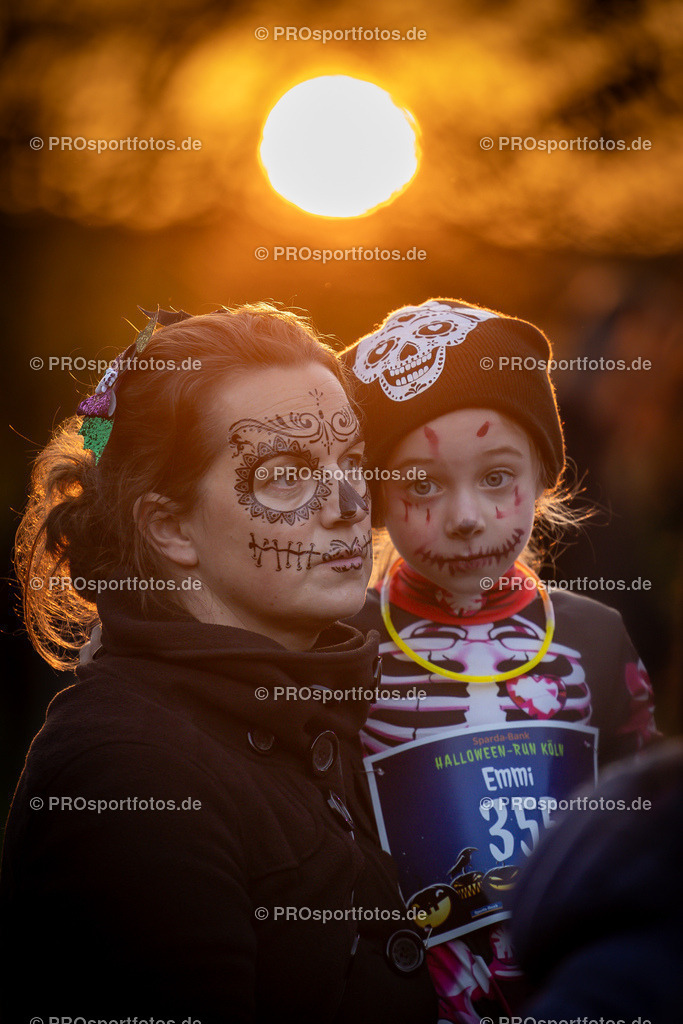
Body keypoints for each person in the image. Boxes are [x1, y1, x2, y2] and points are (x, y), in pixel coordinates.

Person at [0, 305, 437, 1024]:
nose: (349, 505)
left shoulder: (347, 704)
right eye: (286, 476)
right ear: (169, 528)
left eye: (352, 462)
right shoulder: (126, 772)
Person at [340, 298, 659, 1024]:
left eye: (495, 477)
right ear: (377, 497)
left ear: (544, 477)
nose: (464, 514)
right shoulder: (334, 644)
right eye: (421, 483)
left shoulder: (596, 637)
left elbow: (640, 837)